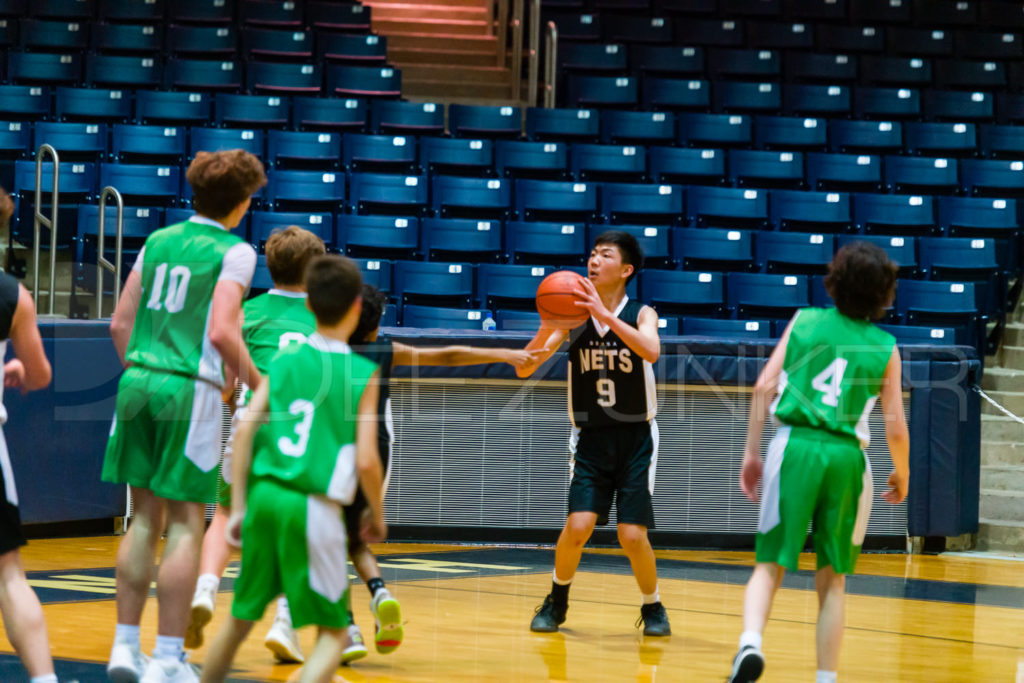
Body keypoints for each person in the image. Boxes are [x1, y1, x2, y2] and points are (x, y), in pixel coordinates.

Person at [103, 150, 266, 683]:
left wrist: (143, 373)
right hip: (187, 388)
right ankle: (168, 659)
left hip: (136, 381)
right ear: (242, 203)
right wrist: (258, 384)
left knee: (143, 519)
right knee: (187, 526)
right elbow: (221, 330)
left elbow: (119, 324)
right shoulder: (235, 252)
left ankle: (125, 649)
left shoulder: (157, 241)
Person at [727, 242, 910, 683]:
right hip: (848, 456)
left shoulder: (805, 321)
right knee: (833, 579)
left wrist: (752, 452)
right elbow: (896, 428)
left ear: (835, 281)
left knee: (770, 564)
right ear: (885, 293)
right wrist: (902, 473)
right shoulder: (886, 347)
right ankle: (825, 678)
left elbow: (762, 388)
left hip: (795, 446)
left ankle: (750, 643)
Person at [200, 254, 386, 683]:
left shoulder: (282, 363)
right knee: (335, 636)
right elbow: (365, 460)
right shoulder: (362, 373)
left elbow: (245, 430)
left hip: (264, 496)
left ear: (309, 305)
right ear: (357, 308)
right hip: (313, 505)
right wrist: (376, 512)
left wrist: (241, 505)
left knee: (239, 621)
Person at [341, 284, 539, 663]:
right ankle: (380, 592)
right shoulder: (385, 349)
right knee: (352, 539)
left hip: (335, 451)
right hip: (378, 450)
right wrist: (505, 353)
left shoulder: (327, 352)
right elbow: (446, 354)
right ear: (374, 324)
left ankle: (348, 627)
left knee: (331, 545)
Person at [515, 230, 670, 637]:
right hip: (590, 438)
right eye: (592, 254)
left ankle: (653, 608)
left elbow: (651, 351)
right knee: (579, 525)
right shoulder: (571, 317)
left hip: (636, 436)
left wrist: (605, 317)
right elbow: (525, 367)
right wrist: (547, 326)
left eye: (605, 255)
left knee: (632, 535)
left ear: (626, 269)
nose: (594, 260)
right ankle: (557, 600)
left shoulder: (642, 313)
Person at [186, 226, 326, 663]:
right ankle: (286, 620)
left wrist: (236, 400)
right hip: (301, 434)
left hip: (249, 423)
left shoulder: (247, 312)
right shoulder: (326, 313)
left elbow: (227, 384)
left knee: (226, 515)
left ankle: (206, 589)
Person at [0, 188, 58, 683]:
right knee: (9, 576)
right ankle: (44, 680)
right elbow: (39, 376)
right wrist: (15, 367)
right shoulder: (11, 295)